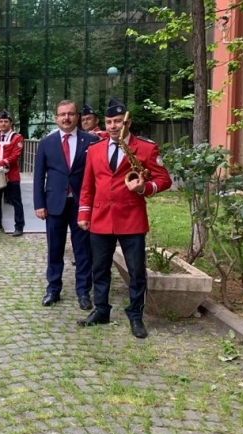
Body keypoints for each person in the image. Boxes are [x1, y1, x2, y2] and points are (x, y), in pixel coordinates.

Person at [77, 99, 172, 338]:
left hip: (131, 218)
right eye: (109, 122)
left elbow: (164, 179)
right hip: (100, 217)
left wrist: (144, 188)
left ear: (127, 122)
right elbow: (87, 185)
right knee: (99, 269)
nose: (112, 126)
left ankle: (136, 315)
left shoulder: (147, 148)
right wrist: (84, 213)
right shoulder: (95, 149)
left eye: (118, 121)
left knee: (136, 271)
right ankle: (101, 310)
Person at [33, 100, 99, 310]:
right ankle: (53, 289)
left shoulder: (91, 141)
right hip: (54, 204)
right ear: (56, 118)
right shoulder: (47, 143)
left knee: (83, 250)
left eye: (70, 114)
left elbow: (97, 175)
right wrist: (39, 204)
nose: (66, 118)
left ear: (77, 116)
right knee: (55, 248)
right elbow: (38, 176)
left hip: (82, 204)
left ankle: (83, 292)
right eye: (62, 114)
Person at [0, 110, 25, 236]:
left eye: (6, 122)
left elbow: (15, 156)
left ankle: (19, 226)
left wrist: (1, 162)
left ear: (11, 123)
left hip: (11, 175)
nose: (3, 124)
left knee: (15, 201)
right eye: (1, 121)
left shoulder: (17, 137)